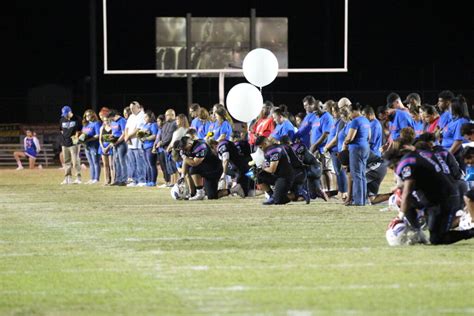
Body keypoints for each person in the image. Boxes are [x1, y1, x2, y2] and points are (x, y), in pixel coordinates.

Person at [385, 144, 474, 245]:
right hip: (435, 196)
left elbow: (408, 192)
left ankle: (471, 232)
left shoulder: (407, 164)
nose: (395, 171)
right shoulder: (416, 155)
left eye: (392, 168)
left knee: (437, 239)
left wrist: (399, 216)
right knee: (401, 196)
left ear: (396, 162)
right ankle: (417, 232)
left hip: (444, 199)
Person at [342, 103, 371, 206]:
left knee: (356, 175)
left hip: (356, 149)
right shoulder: (366, 120)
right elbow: (369, 137)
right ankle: (363, 200)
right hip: (365, 147)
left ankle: (358, 201)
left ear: (354, 111)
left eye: (350, 112)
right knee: (362, 174)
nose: (349, 115)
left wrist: (345, 142)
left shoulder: (355, 121)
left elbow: (350, 138)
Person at [179, 136, 223, 200]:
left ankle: (200, 193)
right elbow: (186, 161)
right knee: (211, 196)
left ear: (189, 144)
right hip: (205, 168)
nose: (184, 151)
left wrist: (184, 156)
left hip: (214, 168)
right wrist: (182, 176)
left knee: (193, 169)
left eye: (185, 149)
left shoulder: (201, 146)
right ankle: (192, 194)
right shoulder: (187, 148)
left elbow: (194, 163)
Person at [255, 136, 295, 205]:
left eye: (261, 147)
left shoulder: (274, 150)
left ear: (265, 143)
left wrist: (262, 167)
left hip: (285, 176)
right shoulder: (269, 150)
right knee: (257, 174)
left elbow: (272, 169)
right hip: (277, 175)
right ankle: (271, 196)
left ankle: (296, 194)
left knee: (278, 201)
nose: (261, 149)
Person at [310, 99, 334, 191]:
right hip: (316, 147)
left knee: (327, 170)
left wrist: (315, 145)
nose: (314, 113)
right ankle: (324, 189)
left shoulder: (326, 117)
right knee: (321, 170)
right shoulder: (317, 117)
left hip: (323, 148)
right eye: (313, 111)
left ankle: (330, 190)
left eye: (316, 110)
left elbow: (326, 134)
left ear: (321, 107)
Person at [441, 97, 470, 169]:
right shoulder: (452, 120)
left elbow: (458, 142)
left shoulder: (461, 121)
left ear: (455, 108)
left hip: (455, 155)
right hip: (447, 152)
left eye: (450, 107)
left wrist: (448, 156)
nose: (448, 109)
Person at [124, 101, 147, 187]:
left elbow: (138, 129)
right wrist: (126, 137)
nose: (132, 110)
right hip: (130, 143)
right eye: (130, 108)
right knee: (131, 163)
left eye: (133, 108)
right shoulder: (131, 116)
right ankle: (134, 180)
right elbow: (126, 128)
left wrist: (128, 136)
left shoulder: (142, 115)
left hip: (138, 144)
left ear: (138, 107)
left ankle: (142, 180)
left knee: (140, 162)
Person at [59, 105, 82, 184]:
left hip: (74, 143)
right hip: (65, 143)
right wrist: (65, 137)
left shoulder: (77, 118)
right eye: (64, 114)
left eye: (66, 114)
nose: (65, 116)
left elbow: (80, 130)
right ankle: (67, 178)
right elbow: (61, 130)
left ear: (70, 112)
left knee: (75, 161)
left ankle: (78, 178)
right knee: (66, 161)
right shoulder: (62, 119)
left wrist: (76, 137)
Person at [156, 109, 177, 187]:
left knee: (173, 166)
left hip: (171, 148)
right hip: (165, 148)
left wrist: (161, 143)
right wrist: (160, 142)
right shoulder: (165, 124)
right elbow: (162, 135)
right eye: (166, 115)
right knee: (168, 167)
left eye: (168, 115)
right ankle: (171, 182)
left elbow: (170, 136)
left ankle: (175, 182)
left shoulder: (174, 123)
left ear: (173, 115)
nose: (167, 116)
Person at [81, 109, 101, 184]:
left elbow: (98, 135)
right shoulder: (86, 124)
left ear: (93, 115)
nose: (87, 117)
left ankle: (96, 178)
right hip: (87, 146)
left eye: (89, 115)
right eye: (86, 115)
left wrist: (90, 139)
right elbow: (83, 134)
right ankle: (92, 178)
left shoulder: (96, 123)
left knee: (96, 162)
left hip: (94, 145)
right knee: (90, 163)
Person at [108, 109, 128, 186]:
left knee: (122, 161)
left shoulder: (122, 120)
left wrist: (117, 142)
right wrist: (111, 138)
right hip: (115, 143)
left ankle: (124, 180)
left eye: (111, 118)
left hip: (121, 143)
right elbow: (114, 132)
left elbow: (124, 133)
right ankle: (117, 179)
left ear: (115, 115)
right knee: (116, 161)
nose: (111, 120)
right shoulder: (113, 122)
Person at [140, 111, 159, 187]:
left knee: (152, 164)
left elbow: (154, 136)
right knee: (147, 164)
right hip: (144, 146)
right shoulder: (145, 125)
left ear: (150, 117)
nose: (144, 118)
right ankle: (148, 180)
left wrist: (146, 138)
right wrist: (141, 138)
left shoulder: (153, 125)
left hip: (150, 146)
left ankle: (153, 181)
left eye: (146, 117)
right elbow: (142, 135)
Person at [98, 108, 114, 185]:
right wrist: (103, 147)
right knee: (105, 165)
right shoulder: (102, 128)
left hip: (111, 147)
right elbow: (100, 139)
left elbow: (113, 139)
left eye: (107, 120)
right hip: (103, 147)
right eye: (105, 120)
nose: (106, 122)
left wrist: (108, 147)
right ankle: (106, 180)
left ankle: (113, 180)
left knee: (111, 165)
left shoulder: (113, 128)